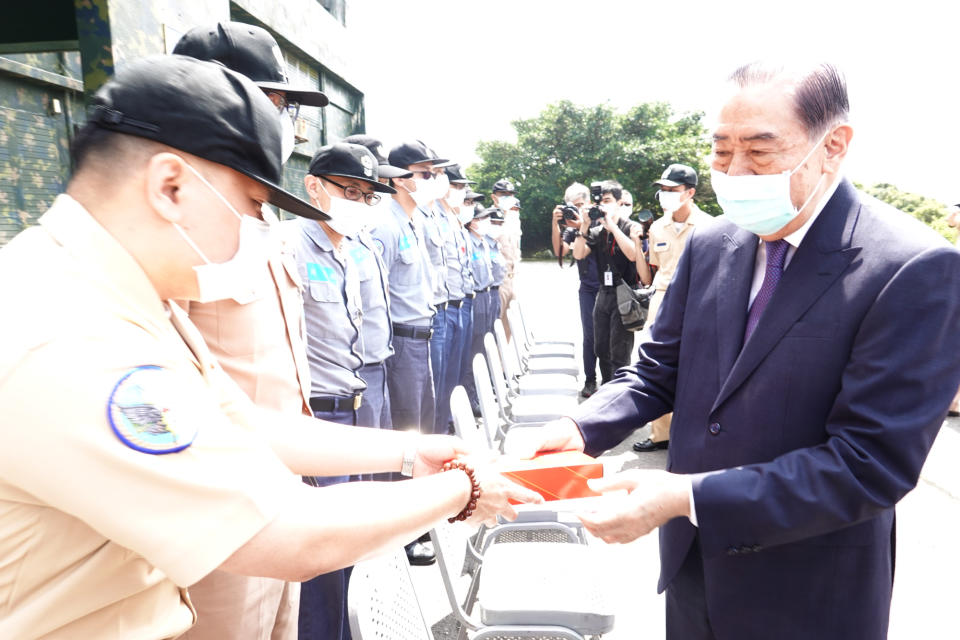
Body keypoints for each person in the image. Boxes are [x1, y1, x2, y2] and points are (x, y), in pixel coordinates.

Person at [0, 55, 540, 640]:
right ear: (170, 187)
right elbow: (287, 534)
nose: (255, 232)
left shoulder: (119, 294)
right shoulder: (70, 334)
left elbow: (244, 425)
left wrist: (413, 453)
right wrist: (465, 489)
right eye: (252, 207)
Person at [506, 60, 960, 640]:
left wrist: (686, 496)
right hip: (695, 569)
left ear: (834, 146)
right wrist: (582, 424)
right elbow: (658, 370)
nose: (735, 172)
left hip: (808, 586)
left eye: (759, 152)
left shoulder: (909, 266)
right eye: (720, 152)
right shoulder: (714, 243)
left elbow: (869, 465)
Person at [171, 22, 330, 640]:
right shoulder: (178, 222)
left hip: (281, 484)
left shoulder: (259, 212)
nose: (283, 121)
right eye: (272, 101)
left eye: (285, 107)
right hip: (216, 504)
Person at [293, 142, 399, 639]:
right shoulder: (289, 247)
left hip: (353, 411)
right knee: (322, 561)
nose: (359, 203)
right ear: (314, 186)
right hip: (317, 417)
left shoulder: (351, 250)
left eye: (367, 195)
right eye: (349, 191)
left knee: (353, 544)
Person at [633, 164, 713, 453]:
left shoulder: (710, 226)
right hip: (664, 297)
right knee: (657, 364)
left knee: (697, 366)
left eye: (672, 190)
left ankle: (693, 431)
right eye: (663, 190)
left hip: (699, 298)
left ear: (689, 192)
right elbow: (655, 268)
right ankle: (660, 434)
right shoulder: (656, 227)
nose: (665, 195)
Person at [571, 180, 642, 385]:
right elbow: (578, 253)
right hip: (604, 293)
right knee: (601, 347)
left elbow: (632, 255)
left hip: (626, 294)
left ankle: (619, 393)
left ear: (620, 203)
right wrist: (584, 224)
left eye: (608, 200)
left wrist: (612, 226)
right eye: (600, 201)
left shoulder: (630, 227)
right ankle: (605, 388)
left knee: (619, 352)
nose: (603, 205)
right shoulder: (597, 232)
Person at [552, 182, 601, 397]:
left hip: (609, 288)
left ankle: (614, 381)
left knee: (611, 339)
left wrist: (587, 223)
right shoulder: (572, 229)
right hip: (588, 288)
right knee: (589, 336)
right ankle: (590, 380)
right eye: (572, 205)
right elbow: (559, 251)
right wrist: (555, 224)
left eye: (580, 204)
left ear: (588, 202)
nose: (577, 209)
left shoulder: (601, 221)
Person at [460, 205, 495, 412]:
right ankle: (471, 398)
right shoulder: (469, 242)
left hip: (487, 294)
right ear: (472, 222)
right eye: (480, 218)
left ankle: (479, 394)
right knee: (474, 350)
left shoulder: (483, 243)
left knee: (483, 348)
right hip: (475, 297)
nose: (484, 222)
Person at [491, 179, 522, 340]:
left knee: (508, 326)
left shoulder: (514, 218)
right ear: (494, 197)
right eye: (503, 194)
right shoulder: (489, 219)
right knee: (494, 325)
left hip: (512, 278)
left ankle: (503, 365)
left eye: (510, 194)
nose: (507, 197)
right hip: (497, 281)